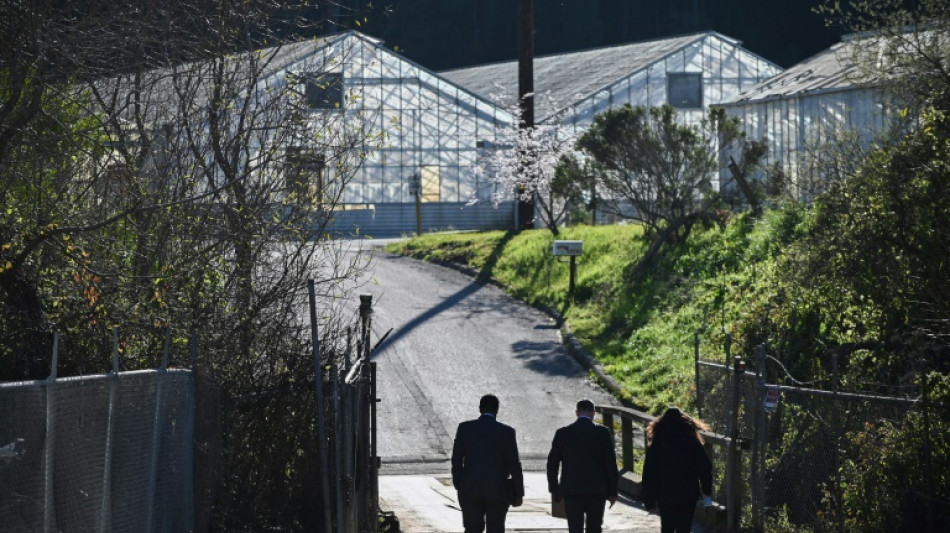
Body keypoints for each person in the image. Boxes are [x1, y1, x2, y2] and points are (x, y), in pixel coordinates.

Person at [451, 394, 524, 533]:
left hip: (470, 487)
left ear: (480, 409)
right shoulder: (506, 432)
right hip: (498, 489)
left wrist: (459, 482)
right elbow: (514, 464)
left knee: (472, 528)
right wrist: (519, 492)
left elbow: (456, 459)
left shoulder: (465, 428)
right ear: (497, 410)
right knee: (496, 528)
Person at [546, 398, 619, 533]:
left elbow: (552, 463)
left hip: (572, 489)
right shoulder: (603, 433)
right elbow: (610, 463)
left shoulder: (563, 433)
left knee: (575, 527)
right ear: (593, 413)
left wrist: (555, 489)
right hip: (597, 489)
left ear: (576, 413)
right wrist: (612, 491)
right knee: (595, 527)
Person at [641, 407, 713, 533]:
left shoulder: (658, 443)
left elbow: (649, 472)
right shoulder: (692, 441)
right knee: (684, 528)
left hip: (665, 494)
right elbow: (705, 467)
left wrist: (649, 499)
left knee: (667, 527)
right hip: (688, 493)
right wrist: (707, 490)